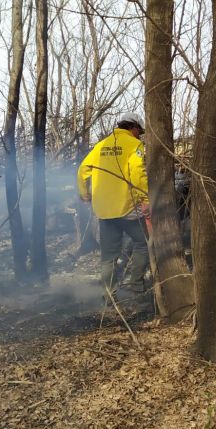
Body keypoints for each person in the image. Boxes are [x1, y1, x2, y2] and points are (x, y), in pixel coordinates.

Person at [77, 112, 150, 296]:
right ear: (133, 127)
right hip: (128, 208)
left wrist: (84, 194)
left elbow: (82, 170)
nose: (139, 135)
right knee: (143, 243)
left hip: (104, 210)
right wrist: (145, 200)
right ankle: (136, 285)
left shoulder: (101, 146)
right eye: (139, 131)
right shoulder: (134, 145)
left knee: (108, 256)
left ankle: (109, 293)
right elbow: (137, 173)